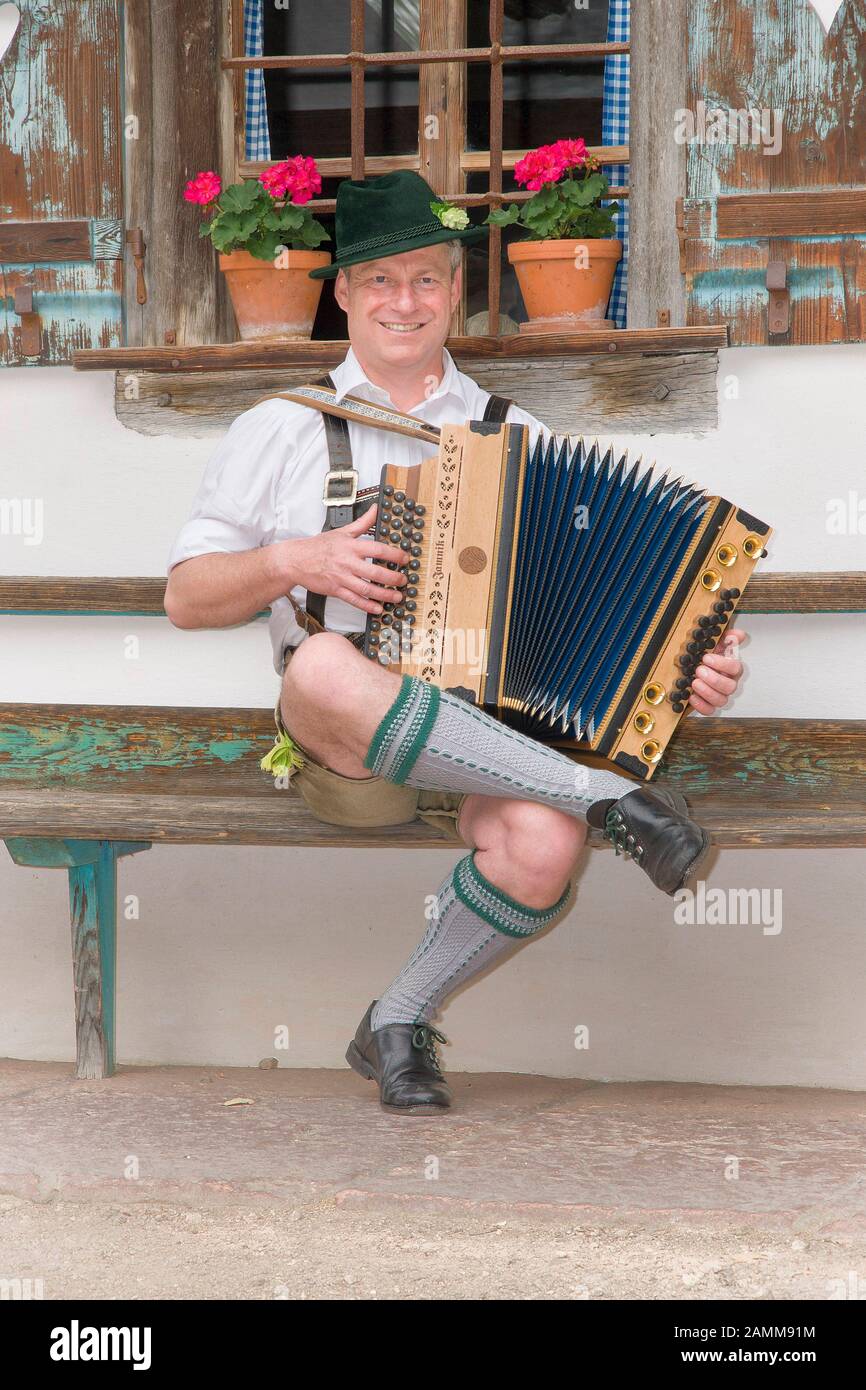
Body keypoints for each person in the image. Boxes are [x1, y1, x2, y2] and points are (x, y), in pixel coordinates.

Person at [165, 171, 745, 1114]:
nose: (406, 302)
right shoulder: (279, 426)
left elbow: (609, 603)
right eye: (382, 280)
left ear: (455, 292)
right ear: (343, 292)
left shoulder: (516, 435)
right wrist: (291, 560)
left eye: (427, 279)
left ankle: (397, 1020)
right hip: (346, 754)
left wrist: (691, 667)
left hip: (487, 744)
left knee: (546, 841)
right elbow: (186, 599)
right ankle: (611, 798)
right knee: (319, 659)